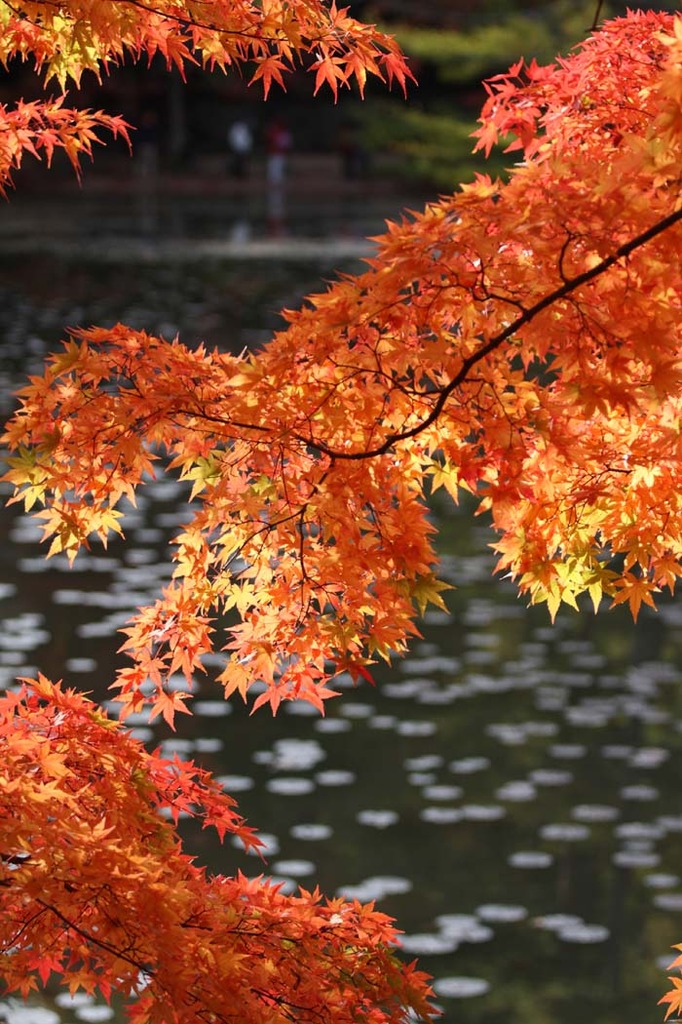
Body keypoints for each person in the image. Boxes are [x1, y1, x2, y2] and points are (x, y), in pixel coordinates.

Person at [265, 118, 292, 185]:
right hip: (274, 153)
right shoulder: (274, 132)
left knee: (278, 169)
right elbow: (269, 139)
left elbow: (285, 144)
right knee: (273, 170)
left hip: (279, 153)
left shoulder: (283, 133)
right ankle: (274, 183)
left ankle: (278, 183)